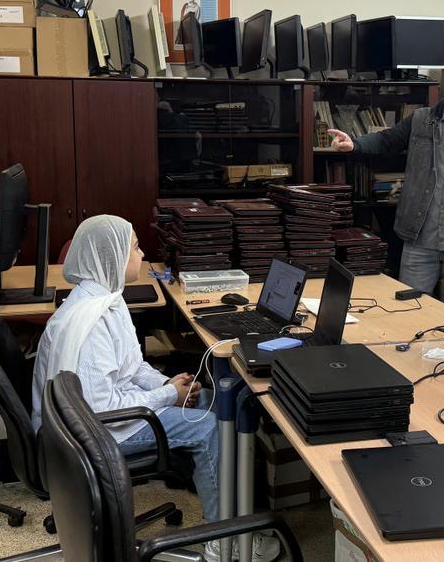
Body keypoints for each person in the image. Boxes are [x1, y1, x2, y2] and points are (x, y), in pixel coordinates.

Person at [30, 215, 279, 562]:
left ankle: (238, 517)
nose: (143, 253)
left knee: (209, 401)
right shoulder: (93, 324)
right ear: (113, 256)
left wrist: (166, 383)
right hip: (93, 436)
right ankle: (220, 541)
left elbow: (130, 368)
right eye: (134, 247)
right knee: (208, 427)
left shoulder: (105, 299)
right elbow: (103, 410)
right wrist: (168, 396)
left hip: (93, 422)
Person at [327, 52, 444, 295]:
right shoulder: (422, 120)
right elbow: (386, 141)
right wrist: (355, 144)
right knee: (410, 311)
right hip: (420, 239)